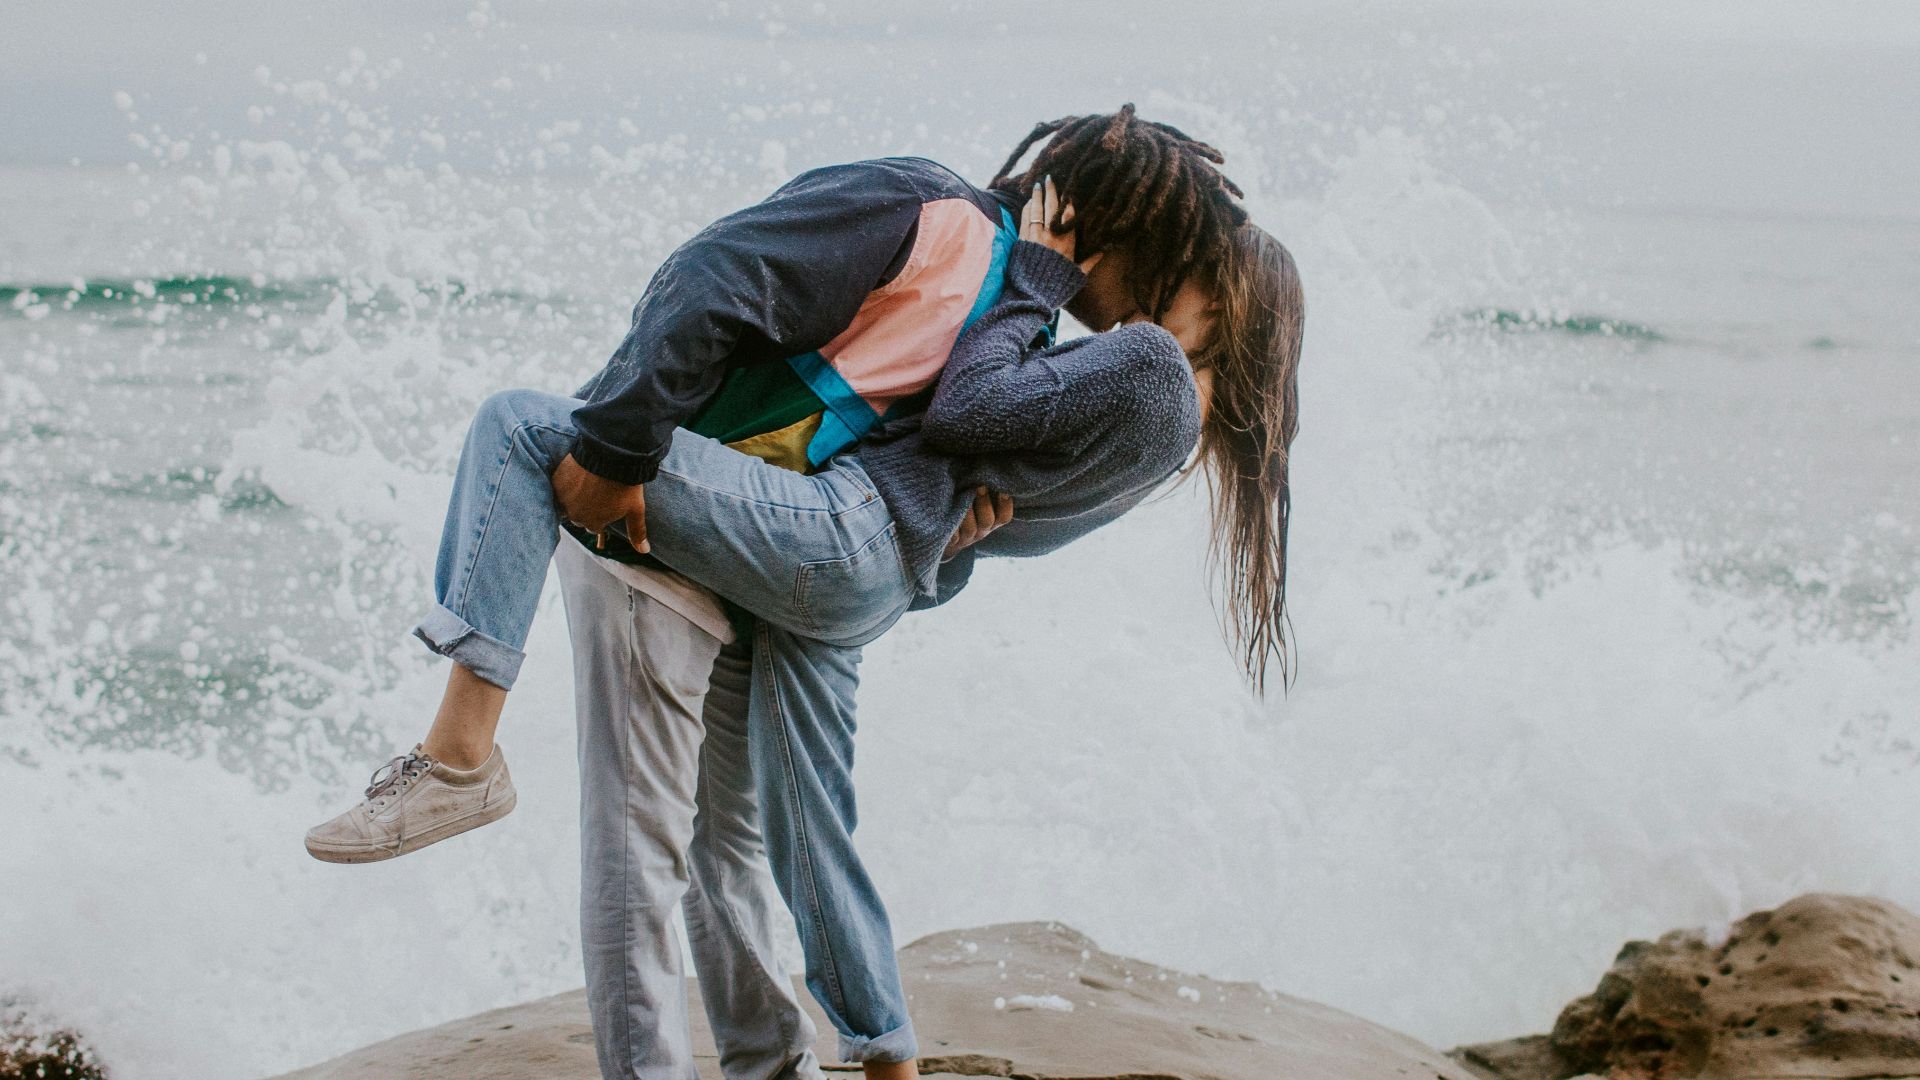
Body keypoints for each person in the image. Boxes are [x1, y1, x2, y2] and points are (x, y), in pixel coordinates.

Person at [306, 108, 1300, 1079]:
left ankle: (460, 755)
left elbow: (948, 414)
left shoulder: (1100, 345)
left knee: (525, 434)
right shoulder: (1049, 331)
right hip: (834, 567)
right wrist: (946, 537)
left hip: (806, 537)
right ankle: (824, 1057)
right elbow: (972, 491)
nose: (1143, 294)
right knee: (757, 838)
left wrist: (617, 453)